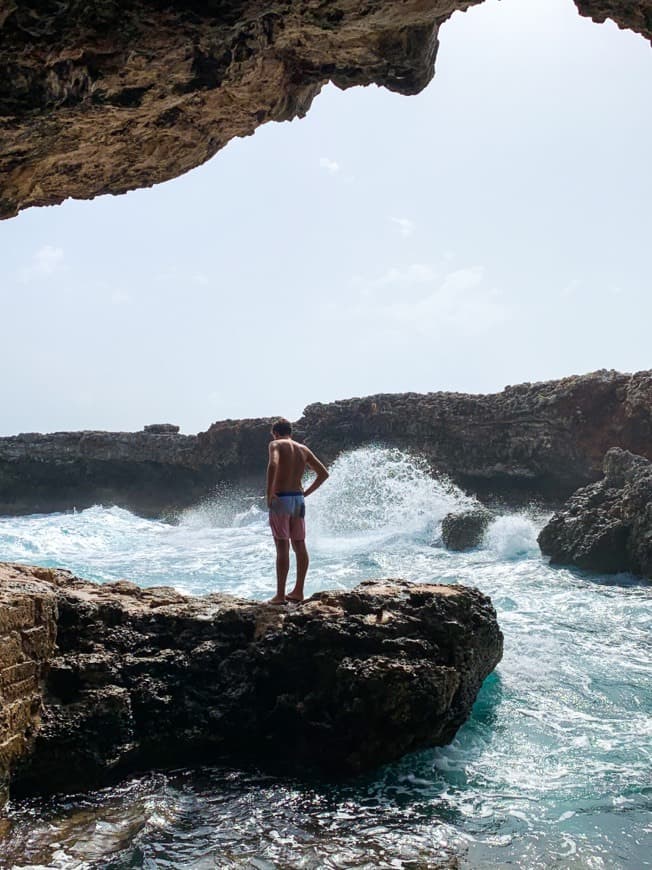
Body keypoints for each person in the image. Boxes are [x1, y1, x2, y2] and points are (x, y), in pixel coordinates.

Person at [266, 418, 329, 605]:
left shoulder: (275, 444)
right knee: (300, 545)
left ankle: (279, 595)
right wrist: (306, 493)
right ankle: (298, 591)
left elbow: (273, 465)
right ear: (290, 432)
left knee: (282, 546)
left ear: (275, 433)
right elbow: (323, 473)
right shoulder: (303, 449)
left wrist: (269, 493)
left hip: (281, 499)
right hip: (298, 499)